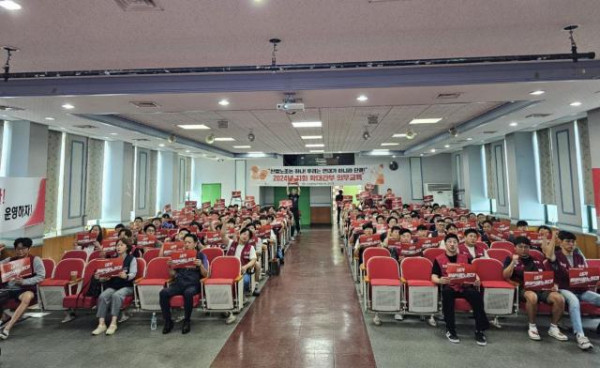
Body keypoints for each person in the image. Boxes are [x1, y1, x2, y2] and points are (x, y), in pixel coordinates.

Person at [502, 236, 567, 341]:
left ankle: (554, 327)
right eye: (520, 247)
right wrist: (513, 263)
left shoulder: (537, 260)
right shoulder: (510, 258)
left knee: (559, 298)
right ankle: (532, 326)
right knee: (532, 297)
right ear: (515, 248)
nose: (523, 249)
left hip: (541, 288)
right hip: (523, 289)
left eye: (526, 247)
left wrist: (553, 284)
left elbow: (547, 275)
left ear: (529, 248)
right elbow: (505, 276)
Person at [543, 230, 598, 350]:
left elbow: (585, 274)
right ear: (561, 243)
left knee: (598, 298)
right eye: (567, 241)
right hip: (564, 289)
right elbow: (548, 254)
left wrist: (593, 280)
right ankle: (580, 336)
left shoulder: (579, 257)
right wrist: (553, 237)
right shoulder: (556, 256)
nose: (571, 244)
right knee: (574, 301)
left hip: (581, 290)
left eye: (573, 242)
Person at [431, 234, 489, 345]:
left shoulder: (465, 257)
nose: (452, 244)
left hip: (464, 286)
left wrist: (477, 279)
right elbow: (433, 276)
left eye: (454, 242)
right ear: (445, 244)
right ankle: (450, 330)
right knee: (446, 294)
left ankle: (479, 330)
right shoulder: (438, 259)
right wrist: (440, 281)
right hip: (449, 286)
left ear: (458, 244)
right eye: (450, 242)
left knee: (476, 296)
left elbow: (473, 272)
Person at [160, 234, 208, 334]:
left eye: (189, 242)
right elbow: (173, 275)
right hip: (179, 283)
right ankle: (168, 321)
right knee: (163, 293)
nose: (186, 244)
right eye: (185, 242)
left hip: (193, 284)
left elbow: (206, 274)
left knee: (188, 293)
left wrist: (201, 265)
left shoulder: (200, 255)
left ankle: (187, 321)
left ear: (195, 244)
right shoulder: (178, 256)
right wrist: (170, 267)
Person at [0, 238, 46, 340]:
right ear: (15, 249)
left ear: (29, 248)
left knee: (27, 297)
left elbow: (41, 276)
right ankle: (5, 317)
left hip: (26, 289)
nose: (20, 251)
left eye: (23, 249)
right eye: (18, 249)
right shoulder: (10, 260)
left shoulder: (35, 260)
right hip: (9, 289)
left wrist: (24, 281)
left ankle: (7, 328)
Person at [92, 238, 137, 336]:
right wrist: (101, 277)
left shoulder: (131, 259)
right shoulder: (112, 259)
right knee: (103, 296)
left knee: (117, 296)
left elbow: (133, 273)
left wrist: (126, 276)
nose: (118, 247)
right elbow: (106, 276)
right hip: (114, 285)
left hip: (127, 286)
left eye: (121, 245)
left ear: (127, 247)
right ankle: (101, 324)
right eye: (117, 245)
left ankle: (113, 323)